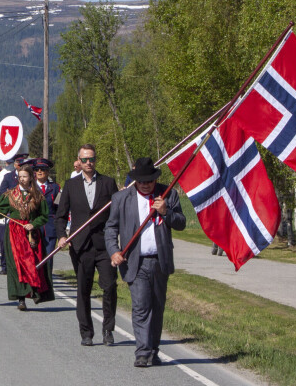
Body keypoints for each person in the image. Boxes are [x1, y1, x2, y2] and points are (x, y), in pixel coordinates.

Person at [106, 157, 186, 367]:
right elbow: (111, 228)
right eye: (141, 181)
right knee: (141, 306)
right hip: (135, 261)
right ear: (135, 180)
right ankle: (142, 352)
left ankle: (153, 349)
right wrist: (114, 251)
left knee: (157, 307)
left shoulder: (168, 194)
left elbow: (181, 223)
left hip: (160, 260)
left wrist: (166, 212)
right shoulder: (121, 198)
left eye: (149, 181)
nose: (145, 184)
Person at [56, 144, 119, 346]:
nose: (88, 163)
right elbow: (61, 215)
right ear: (79, 161)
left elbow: (117, 212)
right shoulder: (71, 185)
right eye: (84, 160)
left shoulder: (108, 183)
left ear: (95, 160)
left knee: (109, 287)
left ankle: (108, 330)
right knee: (83, 288)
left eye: (91, 159)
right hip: (81, 245)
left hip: (104, 245)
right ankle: (86, 332)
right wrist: (61, 236)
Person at [0, 164, 55, 310]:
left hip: (31, 234)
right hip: (15, 233)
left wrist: (34, 224)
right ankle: (21, 298)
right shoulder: (9, 195)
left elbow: (44, 216)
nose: (22, 179)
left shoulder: (38, 195)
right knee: (17, 265)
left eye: (24, 176)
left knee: (34, 263)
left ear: (31, 177)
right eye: (19, 176)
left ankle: (35, 292)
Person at [32, 158, 60, 271]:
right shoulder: (31, 187)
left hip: (50, 226)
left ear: (47, 172)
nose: (39, 171)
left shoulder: (55, 188)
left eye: (42, 169)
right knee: (35, 256)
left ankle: (48, 283)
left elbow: (59, 208)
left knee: (48, 256)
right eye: (37, 169)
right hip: (35, 227)